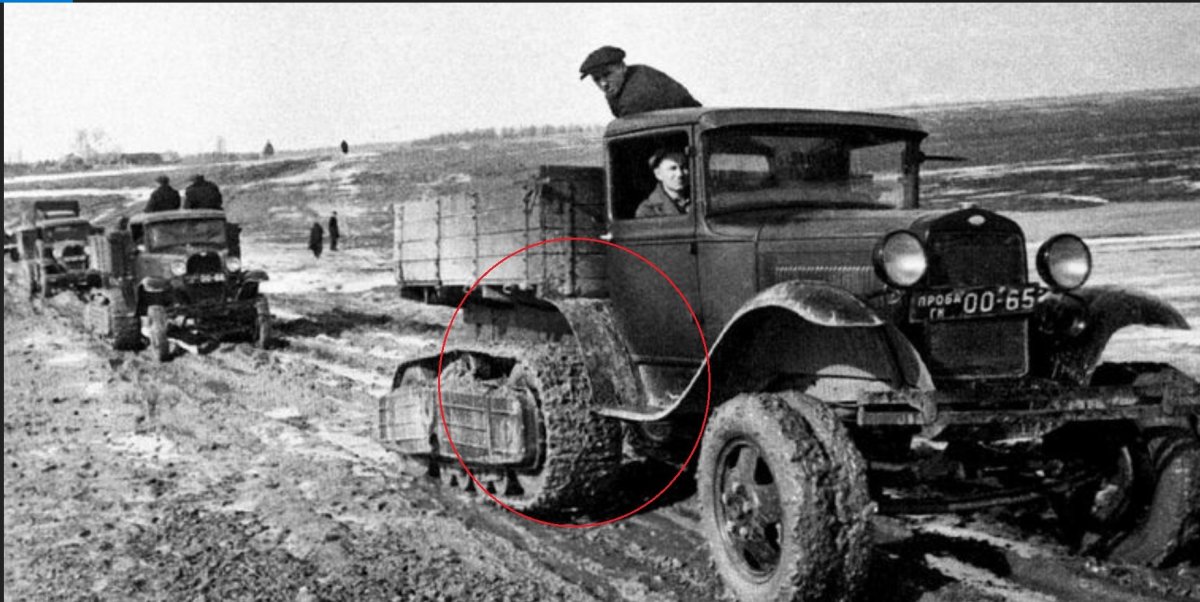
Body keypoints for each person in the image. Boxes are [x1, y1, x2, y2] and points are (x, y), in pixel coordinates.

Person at [579, 46, 701, 118]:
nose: (603, 84)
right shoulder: (626, 81)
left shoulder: (637, 94)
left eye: (607, 75)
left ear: (622, 67)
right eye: (596, 79)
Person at [636, 149, 691, 218]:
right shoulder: (648, 210)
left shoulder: (698, 199)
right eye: (673, 168)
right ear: (658, 174)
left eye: (683, 167)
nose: (680, 174)